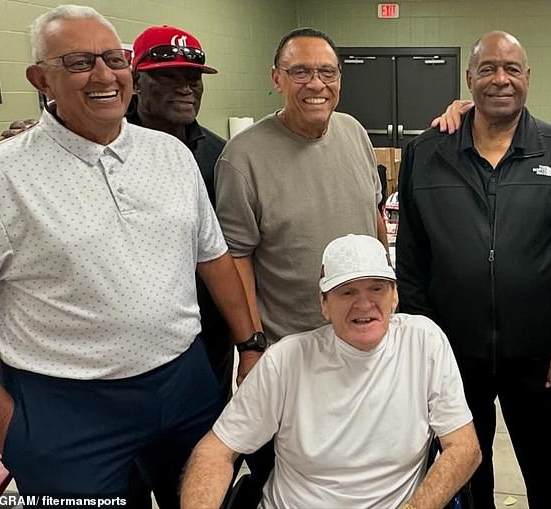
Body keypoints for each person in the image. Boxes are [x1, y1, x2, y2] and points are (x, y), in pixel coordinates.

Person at [0, 5, 261, 504]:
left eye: (114, 59)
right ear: (40, 80)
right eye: (78, 62)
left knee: (204, 498)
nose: (103, 75)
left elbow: (214, 258)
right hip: (64, 405)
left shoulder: (172, 156)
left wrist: (250, 344)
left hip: (185, 384)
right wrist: (9, 427)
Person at [396, 31, 551, 509]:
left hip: (543, 361)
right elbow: (412, 263)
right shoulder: (425, 155)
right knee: (464, 482)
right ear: (469, 77)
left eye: (512, 69)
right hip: (453, 359)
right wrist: (422, 349)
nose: (501, 79)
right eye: (488, 68)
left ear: (528, 78)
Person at [180, 234, 480, 509]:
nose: (364, 304)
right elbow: (214, 451)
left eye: (377, 288)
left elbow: (464, 447)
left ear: (395, 296)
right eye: (347, 292)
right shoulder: (286, 361)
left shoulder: (423, 342)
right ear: (324, 304)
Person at [215, 26, 389, 344]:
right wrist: (252, 343)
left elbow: (374, 216)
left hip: (364, 334)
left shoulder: (354, 132)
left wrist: (389, 297)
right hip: (292, 344)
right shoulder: (242, 157)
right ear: (276, 78)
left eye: (327, 72)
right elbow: (237, 259)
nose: (316, 84)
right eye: (300, 72)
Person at [128, 24, 233, 404]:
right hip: (131, 345)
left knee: (204, 437)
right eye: (170, 76)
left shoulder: (220, 156)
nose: (187, 87)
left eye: (193, 78)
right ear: (136, 81)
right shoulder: (102, 145)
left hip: (208, 333)